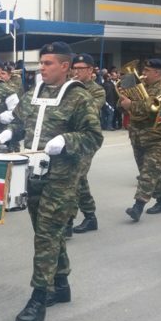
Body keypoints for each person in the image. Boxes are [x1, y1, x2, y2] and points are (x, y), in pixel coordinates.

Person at [0, 42, 103, 321]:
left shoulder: (78, 97)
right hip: (33, 174)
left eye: (48, 63)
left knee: (45, 235)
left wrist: (66, 141)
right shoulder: (33, 93)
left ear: (65, 66)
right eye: (41, 63)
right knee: (48, 233)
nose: (41, 68)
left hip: (62, 178)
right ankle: (62, 285)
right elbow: (21, 122)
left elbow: (94, 137)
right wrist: (9, 132)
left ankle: (38, 298)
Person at [120, 58, 161, 222]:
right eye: (143, 70)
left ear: (157, 73)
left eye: (147, 71)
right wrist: (123, 94)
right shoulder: (140, 87)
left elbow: (151, 110)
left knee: (148, 173)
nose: (143, 74)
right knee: (148, 171)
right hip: (138, 137)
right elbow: (121, 103)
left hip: (157, 139)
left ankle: (138, 206)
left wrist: (131, 105)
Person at [68, 53, 105, 234]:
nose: (75, 72)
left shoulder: (97, 90)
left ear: (90, 70)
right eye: (74, 68)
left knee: (76, 177)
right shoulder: (68, 86)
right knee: (79, 179)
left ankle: (68, 221)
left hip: (87, 139)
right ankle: (90, 216)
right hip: (69, 137)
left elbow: (90, 109)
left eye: (80, 69)